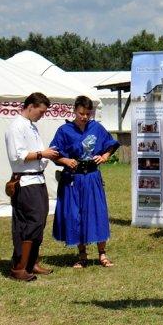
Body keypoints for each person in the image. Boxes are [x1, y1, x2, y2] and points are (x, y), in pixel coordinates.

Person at [51, 96, 120, 268]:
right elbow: (54, 153)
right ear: (75, 110)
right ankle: (82, 255)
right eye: (81, 113)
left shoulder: (96, 127)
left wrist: (105, 156)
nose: (84, 117)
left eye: (88, 114)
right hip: (73, 179)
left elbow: (111, 144)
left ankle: (102, 254)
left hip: (92, 177)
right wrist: (66, 161)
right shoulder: (64, 130)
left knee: (97, 212)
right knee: (77, 214)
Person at [4, 92, 60, 281]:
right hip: (25, 182)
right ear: (30, 107)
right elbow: (18, 155)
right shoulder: (16, 127)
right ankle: (19, 267)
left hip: (37, 180)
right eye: (41, 112)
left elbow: (37, 153)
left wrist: (46, 155)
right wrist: (42, 154)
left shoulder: (31, 127)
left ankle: (31, 263)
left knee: (39, 221)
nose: (42, 115)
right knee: (31, 222)